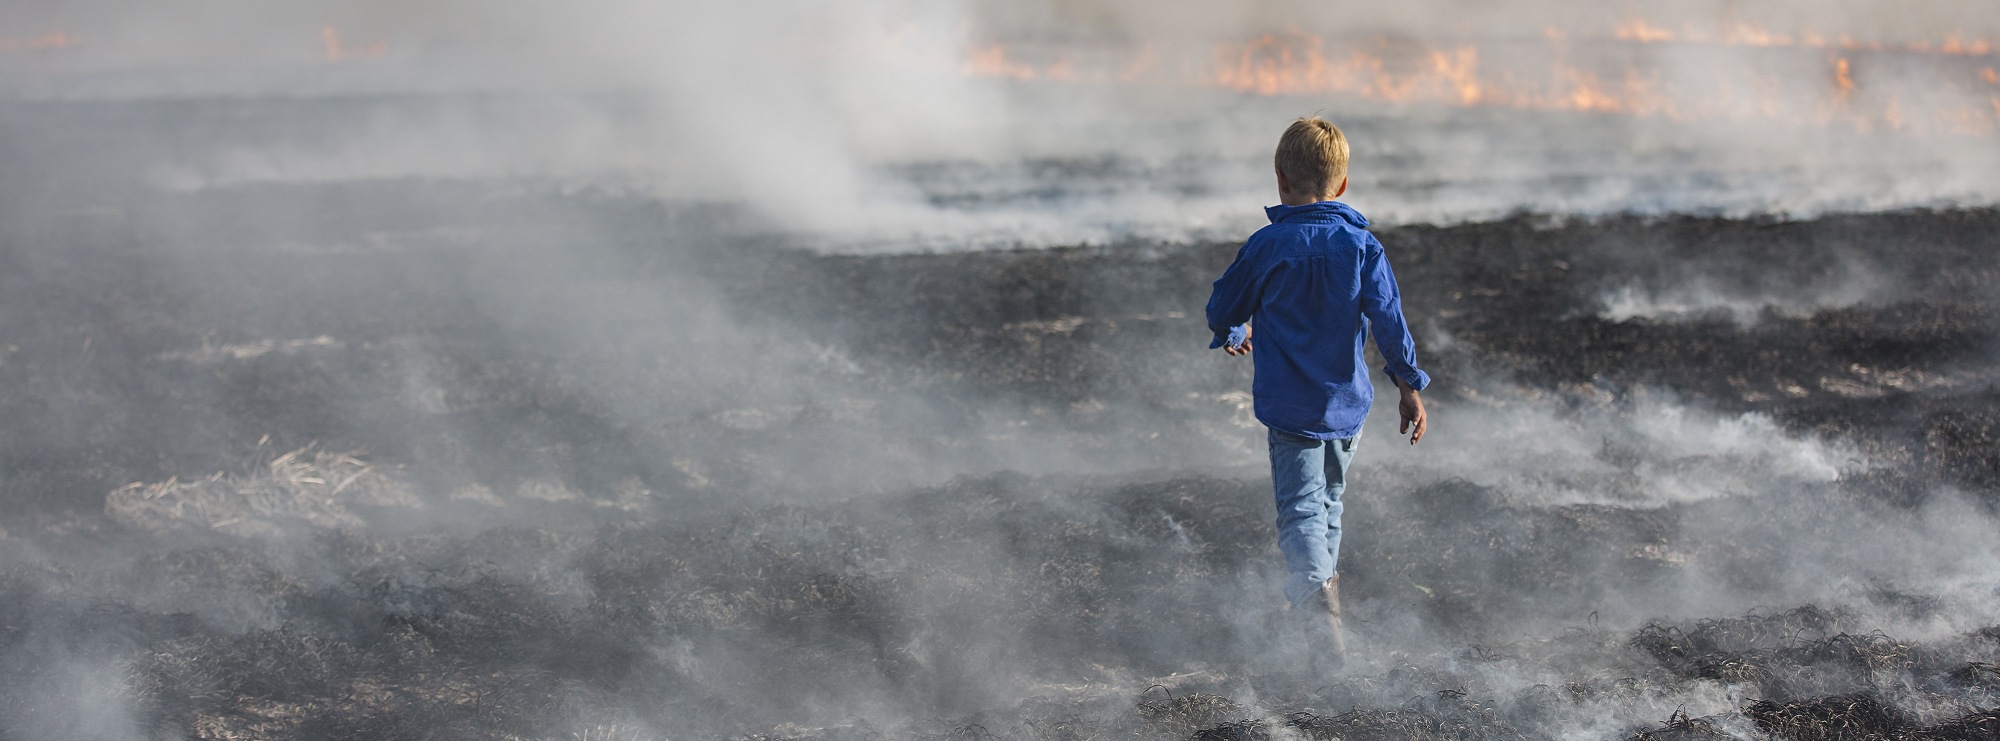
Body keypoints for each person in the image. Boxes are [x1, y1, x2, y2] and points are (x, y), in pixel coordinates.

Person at [1204, 116, 1430, 668]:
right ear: (1342, 184)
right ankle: (1323, 616)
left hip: (1291, 408)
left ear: (1280, 178)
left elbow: (1223, 306)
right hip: (1346, 406)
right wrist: (1409, 387)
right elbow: (1390, 323)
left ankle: (1321, 633)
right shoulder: (1362, 246)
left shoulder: (1267, 245)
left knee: (1301, 512)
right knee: (1329, 504)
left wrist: (1233, 329)